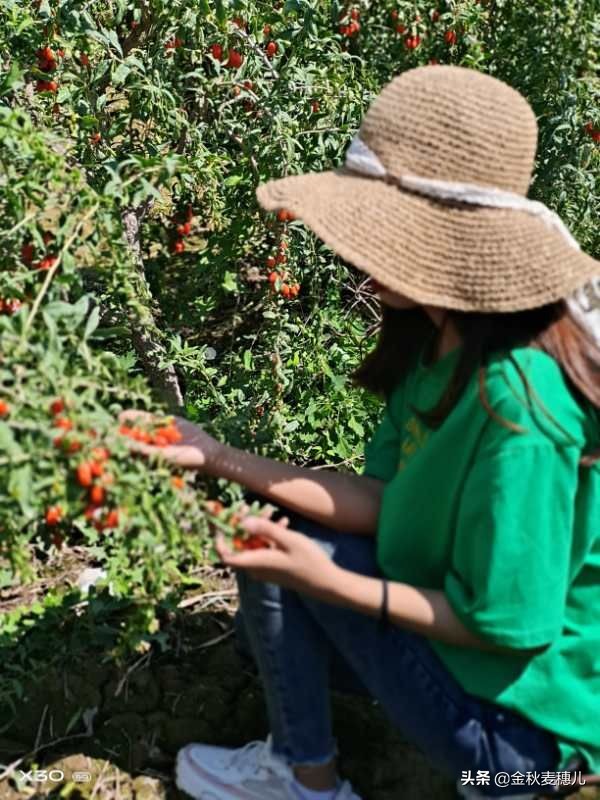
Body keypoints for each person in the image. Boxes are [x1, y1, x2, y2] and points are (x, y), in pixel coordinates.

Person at [120, 66, 600, 800]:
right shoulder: (436, 339)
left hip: (520, 744)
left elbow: (512, 625)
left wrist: (335, 584)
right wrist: (217, 455)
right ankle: (306, 775)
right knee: (280, 530)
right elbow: (386, 499)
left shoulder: (519, 402)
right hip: (469, 670)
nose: (351, 252)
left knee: (301, 561)